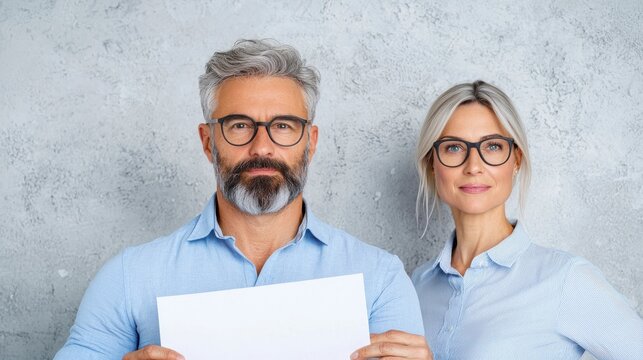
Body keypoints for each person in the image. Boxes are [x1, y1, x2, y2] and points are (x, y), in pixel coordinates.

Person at [54, 39, 430, 359]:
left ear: (310, 142)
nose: (261, 146)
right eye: (239, 126)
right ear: (208, 142)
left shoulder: (379, 279)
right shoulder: (129, 277)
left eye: (283, 125)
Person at [409, 80, 643, 359]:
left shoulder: (566, 280)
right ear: (431, 163)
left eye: (493, 147)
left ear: (516, 160)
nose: (473, 166)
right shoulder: (416, 285)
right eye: (454, 148)